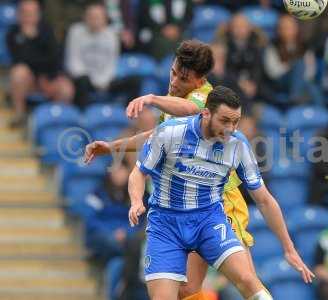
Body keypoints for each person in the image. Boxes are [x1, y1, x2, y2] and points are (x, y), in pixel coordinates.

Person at [84, 40, 268, 300]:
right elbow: (154, 136)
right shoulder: (174, 103)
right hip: (185, 205)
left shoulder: (205, 98)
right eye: (172, 72)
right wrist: (113, 147)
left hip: (219, 200)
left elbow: (192, 109)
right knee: (188, 289)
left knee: (245, 280)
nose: (173, 81)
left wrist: (151, 98)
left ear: (199, 79)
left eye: (182, 77)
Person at [128, 86, 314, 299]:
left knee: (247, 279)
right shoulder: (170, 133)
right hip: (166, 225)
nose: (231, 128)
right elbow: (138, 173)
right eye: (225, 121)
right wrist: (136, 201)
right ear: (205, 114)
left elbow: (263, 199)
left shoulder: (238, 144)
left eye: (236, 121)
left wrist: (288, 248)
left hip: (208, 220)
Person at [7, 0, 74, 127]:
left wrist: (47, 77)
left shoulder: (47, 30)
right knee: (19, 72)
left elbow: (54, 57)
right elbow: (19, 59)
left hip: (48, 77)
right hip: (29, 80)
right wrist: (30, 39)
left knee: (66, 89)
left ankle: (55, 120)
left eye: (31, 13)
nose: (27, 16)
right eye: (24, 13)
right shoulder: (13, 33)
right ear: (18, 14)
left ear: (38, 14)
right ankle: (19, 115)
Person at [65, 2, 121, 108]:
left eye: (98, 17)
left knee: (135, 81)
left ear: (105, 19)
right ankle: (83, 116)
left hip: (105, 81)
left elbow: (112, 63)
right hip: (84, 79)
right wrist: (91, 80)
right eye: (91, 17)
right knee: (82, 81)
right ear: (85, 18)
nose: (94, 20)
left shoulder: (112, 34)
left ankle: (129, 115)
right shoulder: (75, 31)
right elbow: (73, 61)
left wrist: (103, 81)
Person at [263, 14, 322, 107]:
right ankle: (295, 98)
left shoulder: (305, 46)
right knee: (299, 64)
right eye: (283, 28)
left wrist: (297, 74)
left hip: (302, 81)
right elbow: (273, 72)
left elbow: (311, 70)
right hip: (281, 81)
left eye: (289, 27)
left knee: (313, 88)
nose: (287, 31)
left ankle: (321, 112)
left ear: (296, 29)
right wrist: (291, 68)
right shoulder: (272, 46)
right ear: (278, 30)